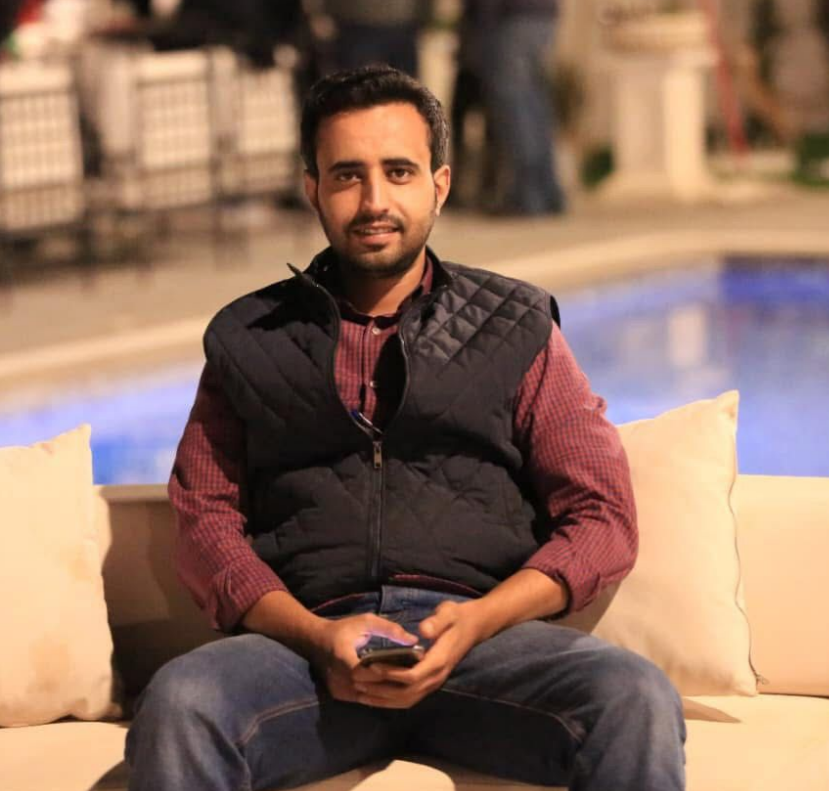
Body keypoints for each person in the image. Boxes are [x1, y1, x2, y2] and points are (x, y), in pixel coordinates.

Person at [124, 65, 685, 791]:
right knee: (182, 701)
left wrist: (481, 619)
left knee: (633, 695)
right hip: (306, 657)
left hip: (484, 645)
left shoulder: (516, 326)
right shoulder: (248, 336)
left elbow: (602, 515)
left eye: (398, 172)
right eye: (347, 176)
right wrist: (315, 636)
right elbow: (206, 521)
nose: (375, 202)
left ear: (439, 184)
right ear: (312, 189)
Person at [477, 0, 565, 216]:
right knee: (534, 104)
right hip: (542, 15)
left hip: (511, 17)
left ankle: (528, 194)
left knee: (516, 109)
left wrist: (482, 20)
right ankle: (549, 191)